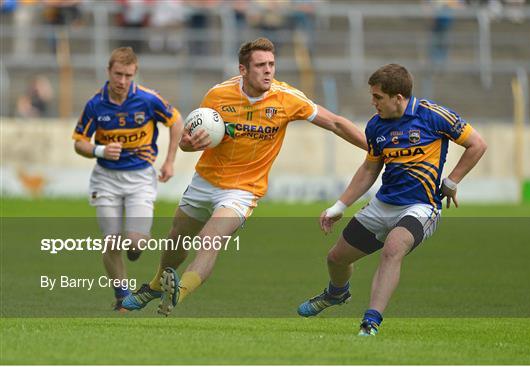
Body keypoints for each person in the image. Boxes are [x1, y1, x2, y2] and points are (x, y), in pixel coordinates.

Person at [121, 37, 367, 315]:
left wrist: (375, 146)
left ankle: (180, 292)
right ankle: (156, 285)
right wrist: (187, 144)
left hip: (242, 190)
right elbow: (189, 138)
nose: (268, 71)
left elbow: (335, 122)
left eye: (272, 64)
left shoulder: (287, 98)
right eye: (261, 65)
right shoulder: (218, 95)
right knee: (178, 237)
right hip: (206, 180)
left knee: (210, 239)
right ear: (243, 69)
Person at [297, 63, 487, 336]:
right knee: (336, 259)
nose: (372, 102)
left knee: (393, 248)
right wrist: (339, 206)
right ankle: (336, 293)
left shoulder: (432, 115)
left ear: (398, 97)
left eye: (378, 97)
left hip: (421, 207)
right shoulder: (376, 126)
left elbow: (477, 144)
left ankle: (370, 322)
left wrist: (451, 181)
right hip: (384, 205)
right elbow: (369, 169)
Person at [72, 47, 182, 311]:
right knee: (110, 239)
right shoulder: (95, 104)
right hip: (105, 179)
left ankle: (133, 246)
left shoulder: (148, 99)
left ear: (134, 74)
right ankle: (122, 295)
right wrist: (100, 150)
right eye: (118, 74)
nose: (122, 81)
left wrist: (169, 160)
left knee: (135, 242)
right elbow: (79, 143)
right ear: (108, 71)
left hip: (141, 178)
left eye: (128, 75)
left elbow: (176, 122)